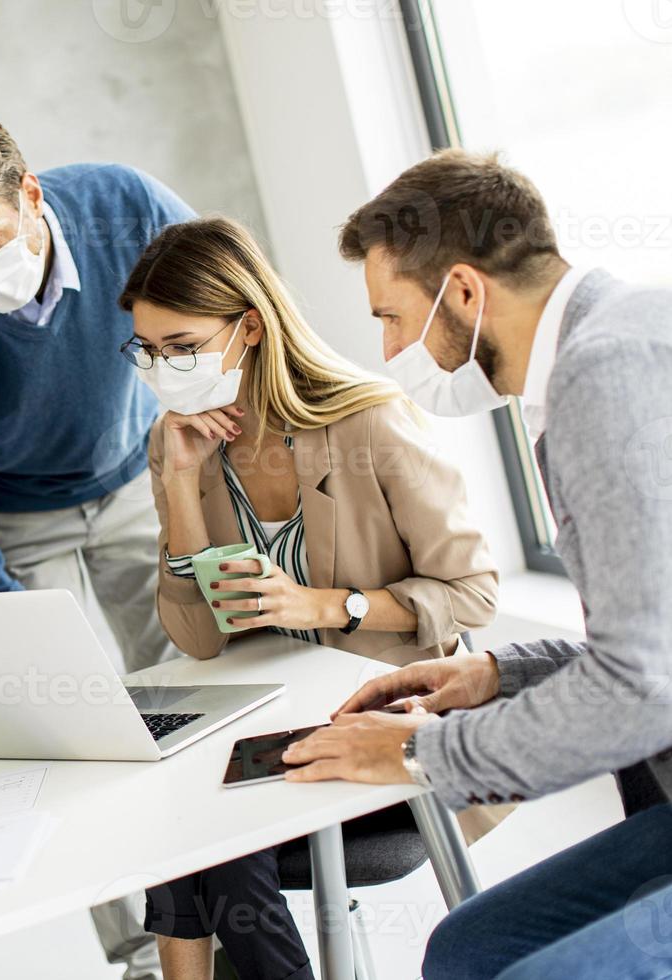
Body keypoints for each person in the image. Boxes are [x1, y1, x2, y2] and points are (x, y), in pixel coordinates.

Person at [280, 148, 672, 979]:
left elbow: (642, 687)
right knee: (468, 948)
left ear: (462, 290)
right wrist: (494, 674)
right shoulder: (618, 340)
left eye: (390, 316)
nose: (388, 349)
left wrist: (419, 754)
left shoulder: (602, 374)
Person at [119, 216, 498, 980]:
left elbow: (474, 592)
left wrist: (328, 606)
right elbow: (197, 639)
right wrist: (181, 486)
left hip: (389, 723)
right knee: (174, 805)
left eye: (183, 348)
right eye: (150, 352)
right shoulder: (179, 441)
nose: (163, 369)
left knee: (209, 827)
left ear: (250, 327)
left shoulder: (370, 420)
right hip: (271, 725)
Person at [0, 108, 194, 980]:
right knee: (69, 727)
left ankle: (220, 900)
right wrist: (13, 624)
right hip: (15, 516)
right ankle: (141, 954)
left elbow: (228, 299)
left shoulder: (124, 205)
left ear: (30, 193)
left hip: (137, 471)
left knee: (189, 678)